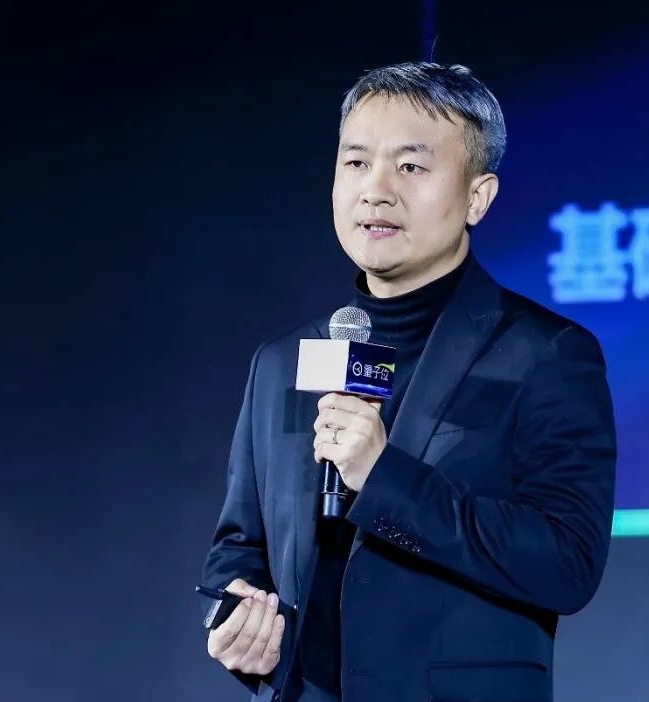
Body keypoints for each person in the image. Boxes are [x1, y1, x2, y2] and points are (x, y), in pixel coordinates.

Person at [199, 62, 616, 702]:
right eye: (356, 163)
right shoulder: (282, 361)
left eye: (411, 166)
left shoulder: (547, 354)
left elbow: (567, 562)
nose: (376, 191)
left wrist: (384, 476)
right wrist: (236, 616)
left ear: (478, 197)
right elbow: (240, 545)